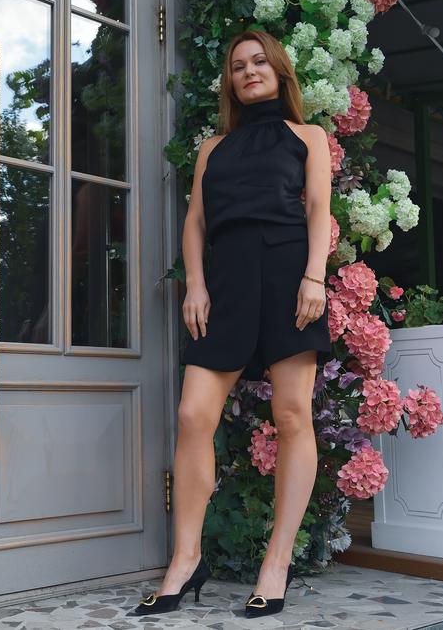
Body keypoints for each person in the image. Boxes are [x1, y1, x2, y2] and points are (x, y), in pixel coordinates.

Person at [130, 30, 332, 619]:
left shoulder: (308, 137)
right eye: (238, 65)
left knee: (291, 415)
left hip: (289, 274)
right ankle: (185, 560)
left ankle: (277, 563)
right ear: (231, 82)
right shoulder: (213, 148)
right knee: (194, 415)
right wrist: (196, 284)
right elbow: (195, 221)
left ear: (279, 71)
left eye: (259, 61)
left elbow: (319, 209)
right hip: (228, 281)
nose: (249, 71)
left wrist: (314, 277)